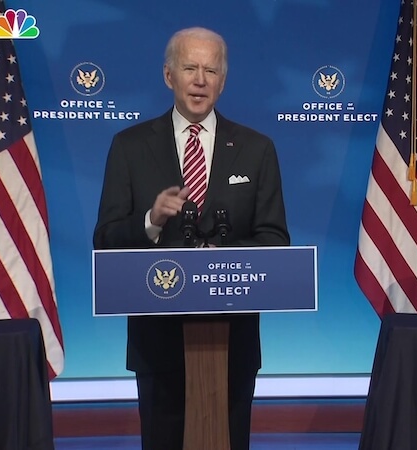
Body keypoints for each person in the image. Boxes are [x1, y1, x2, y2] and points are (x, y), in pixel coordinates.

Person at [93, 27, 289, 450]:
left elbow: (274, 241)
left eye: (211, 70)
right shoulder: (129, 147)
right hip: (157, 343)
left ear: (223, 80)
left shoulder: (257, 149)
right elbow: (105, 241)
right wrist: (150, 219)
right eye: (190, 68)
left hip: (232, 341)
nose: (200, 79)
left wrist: (218, 258)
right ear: (169, 76)